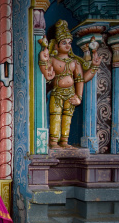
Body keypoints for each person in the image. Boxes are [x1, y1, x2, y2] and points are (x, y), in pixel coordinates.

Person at [38, 19, 101, 149]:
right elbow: (44, 74)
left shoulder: (74, 62)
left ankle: (64, 141)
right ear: (56, 45)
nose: (67, 45)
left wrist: (94, 67)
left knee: (67, 117)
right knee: (55, 116)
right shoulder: (53, 60)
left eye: (69, 43)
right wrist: (44, 62)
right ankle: (54, 141)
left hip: (71, 94)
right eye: (64, 42)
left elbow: (81, 79)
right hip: (57, 93)